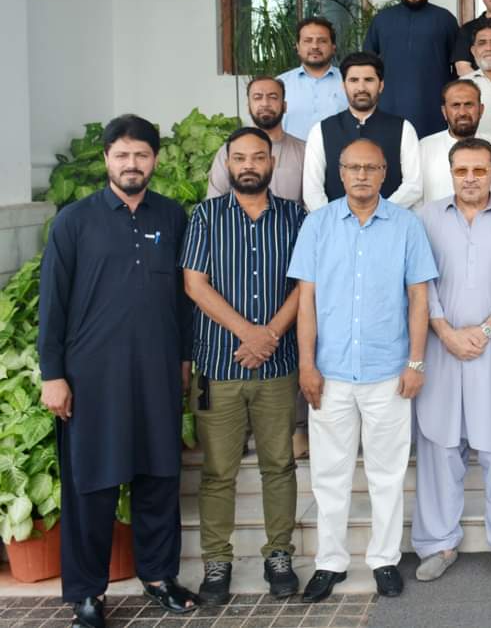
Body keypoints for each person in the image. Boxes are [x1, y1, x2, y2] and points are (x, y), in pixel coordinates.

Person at [38, 114, 199, 628]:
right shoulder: (74, 221)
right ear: (107, 157)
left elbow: (184, 299)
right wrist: (52, 375)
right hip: (92, 379)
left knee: (158, 478)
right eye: (123, 154)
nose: (133, 164)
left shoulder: (173, 217)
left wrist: (183, 361)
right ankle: (87, 592)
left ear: (155, 160)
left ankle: (159, 577)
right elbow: (53, 304)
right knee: (92, 487)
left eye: (143, 155)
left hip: (155, 374)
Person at [287, 139, 439, 601]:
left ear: (384, 172)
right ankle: (330, 562)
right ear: (340, 171)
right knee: (329, 474)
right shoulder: (317, 224)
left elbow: (418, 299)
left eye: (370, 168)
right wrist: (307, 365)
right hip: (330, 374)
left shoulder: (407, 226)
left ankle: (384, 560)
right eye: (353, 167)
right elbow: (306, 302)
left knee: (387, 473)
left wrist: (415, 362)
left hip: (388, 372)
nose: (361, 176)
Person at [181, 127, 306, 603]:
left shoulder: (295, 216)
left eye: (258, 156)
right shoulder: (207, 217)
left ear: (272, 163)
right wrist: (248, 333)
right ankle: (217, 564)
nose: (249, 164)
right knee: (218, 472)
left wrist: (270, 334)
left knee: (279, 466)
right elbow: (195, 284)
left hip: (277, 367)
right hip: (221, 365)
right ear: (227, 164)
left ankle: (279, 556)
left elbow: (305, 285)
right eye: (239, 157)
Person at [412, 138, 491, 582]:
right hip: (441, 348)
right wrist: (443, 329)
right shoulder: (425, 218)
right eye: (462, 171)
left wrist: (484, 330)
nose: (470, 179)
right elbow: (419, 280)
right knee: (440, 444)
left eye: (479, 171)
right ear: (450, 172)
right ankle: (438, 544)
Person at [302, 52, 422, 212]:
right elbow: (312, 191)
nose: (361, 88)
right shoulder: (321, 130)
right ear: (343, 85)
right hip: (335, 230)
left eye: (369, 80)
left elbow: (413, 186)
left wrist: (381, 215)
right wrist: (335, 221)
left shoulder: (403, 128)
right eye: (353, 80)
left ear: (381, 85)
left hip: (391, 226)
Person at [363, 0, 459, 138]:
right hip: (390, 105)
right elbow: (368, 65)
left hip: (434, 108)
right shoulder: (381, 20)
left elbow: (458, 66)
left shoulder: (445, 19)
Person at [207, 76, 306, 203]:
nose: (265, 103)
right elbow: (214, 204)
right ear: (248, 107)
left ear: (284, 106)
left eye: (273, 97)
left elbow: (310, 206)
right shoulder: (229, 151)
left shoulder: (304, 151)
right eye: (258, 97)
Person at [417, 80, 491, 206]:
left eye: (469, 105)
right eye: (455, 105)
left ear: (481, 110)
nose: (462, 112)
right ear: (444, 111)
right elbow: (416, 199)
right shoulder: (424, 148)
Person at [278, 16, 349, 141]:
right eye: (308, 40)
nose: (315, 46)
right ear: (297, 47)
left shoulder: (351, 82)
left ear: (333, 47)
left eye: (322, 41)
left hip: (339, 158)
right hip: (293, 157)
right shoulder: (280, 84)